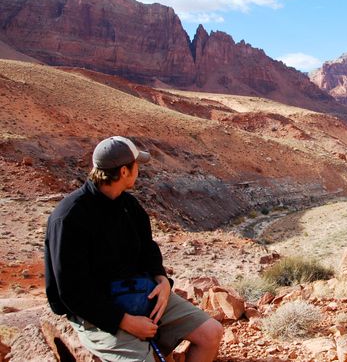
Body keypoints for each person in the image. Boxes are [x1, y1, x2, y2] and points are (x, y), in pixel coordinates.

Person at [45, 136, 223, 361]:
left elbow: (148, 250)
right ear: (123, 172)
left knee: (211, 333)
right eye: (136, 165)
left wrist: (162, 281)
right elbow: (72, 290)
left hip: (140, 294)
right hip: (99, 311)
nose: (139, 170)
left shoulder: (129, 206)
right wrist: (125, 321)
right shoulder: (69, 217)